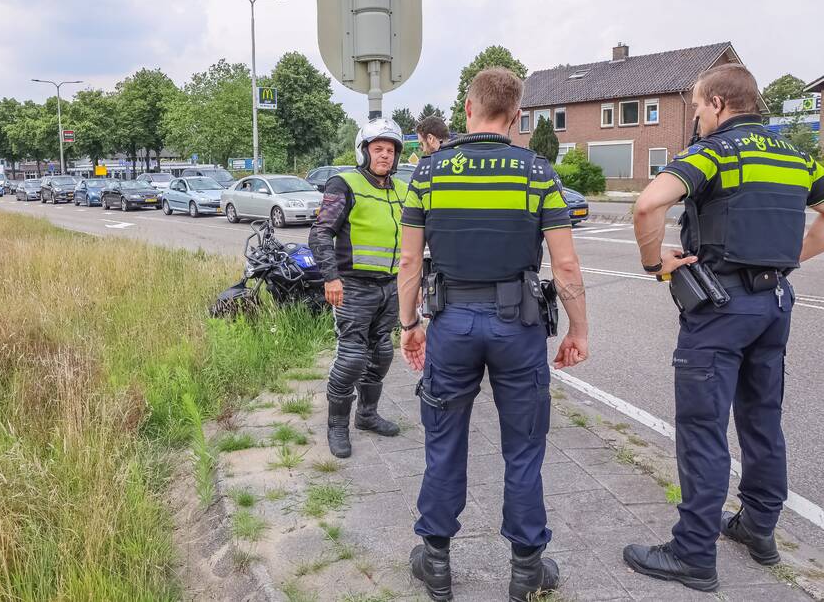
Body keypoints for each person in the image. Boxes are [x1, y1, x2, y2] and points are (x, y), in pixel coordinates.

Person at [625, 63, 824, 592]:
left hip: (720, 309)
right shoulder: (797, 156)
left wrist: (654, 264)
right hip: (775, 302)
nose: (695, 115)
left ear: (717, 103)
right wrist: (787, 257)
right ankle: (758, 530)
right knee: (762, 421)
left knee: (703, 430)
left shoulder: (714, 151)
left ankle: (693, 554)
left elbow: (648, 204)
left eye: (695, 106)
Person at [397, 68, 589, 602]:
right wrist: (578, 329)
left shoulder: (431, 172)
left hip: (452, 323)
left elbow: (410, 258)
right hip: (518, 326)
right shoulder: (536, 171)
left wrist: (410, 325)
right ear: (518, 114)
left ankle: (436, 562)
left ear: (467, 108)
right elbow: (566, 265)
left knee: (443, 441)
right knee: (524, 448)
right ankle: (527, 570)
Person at [309, 117, 409, 458]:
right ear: (364, 151)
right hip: (353, 286)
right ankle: (337, 426)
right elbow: (320, 232)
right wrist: (331, 277)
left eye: (391, 150)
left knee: (382, 353)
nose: (385, 156)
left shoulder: (400, 189)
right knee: (352, 357)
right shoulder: (344, 183)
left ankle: (366, 416)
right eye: (378, 149)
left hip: (389, 286)